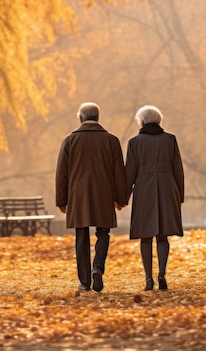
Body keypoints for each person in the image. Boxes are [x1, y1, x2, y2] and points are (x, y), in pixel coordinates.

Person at [55, 102, 127, 292]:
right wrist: (121, 198)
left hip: (78, 195)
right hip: (104, 194)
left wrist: (61, 200)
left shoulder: (69, 141)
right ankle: (98, 267)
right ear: (98, 118)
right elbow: (119, 173)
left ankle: (85, 281)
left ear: (80, 118)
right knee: (103, 233)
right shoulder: (112, 141)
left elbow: (61, 173)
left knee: (81, 235)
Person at [125, 105, 184, 291]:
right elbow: (178, 170)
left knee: (145, 236)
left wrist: (123, 196)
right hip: (167, 187)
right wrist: (179, 196)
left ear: (141, 121)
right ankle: (162, 274)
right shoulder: (170, 140)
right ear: (159, 120)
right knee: (162, 236)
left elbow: (130, 173)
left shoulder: (135, 143)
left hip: (144, 189)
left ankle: (148, 279)